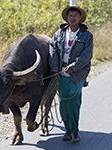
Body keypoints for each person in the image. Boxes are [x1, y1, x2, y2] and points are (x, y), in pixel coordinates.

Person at [49, 5, 93, 142]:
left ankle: (75, 132)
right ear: (67, 18)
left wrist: (74, 67)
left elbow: (87, 55)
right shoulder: (59, 33)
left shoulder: (87, 35)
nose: (72, 18)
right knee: (63, 103)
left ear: (80, 18)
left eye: (75, 15)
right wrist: (55, 69)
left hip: (77, 74)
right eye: (70, 16)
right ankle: (67, 131)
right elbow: (53, 50)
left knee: (74, 102)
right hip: (62, 74)